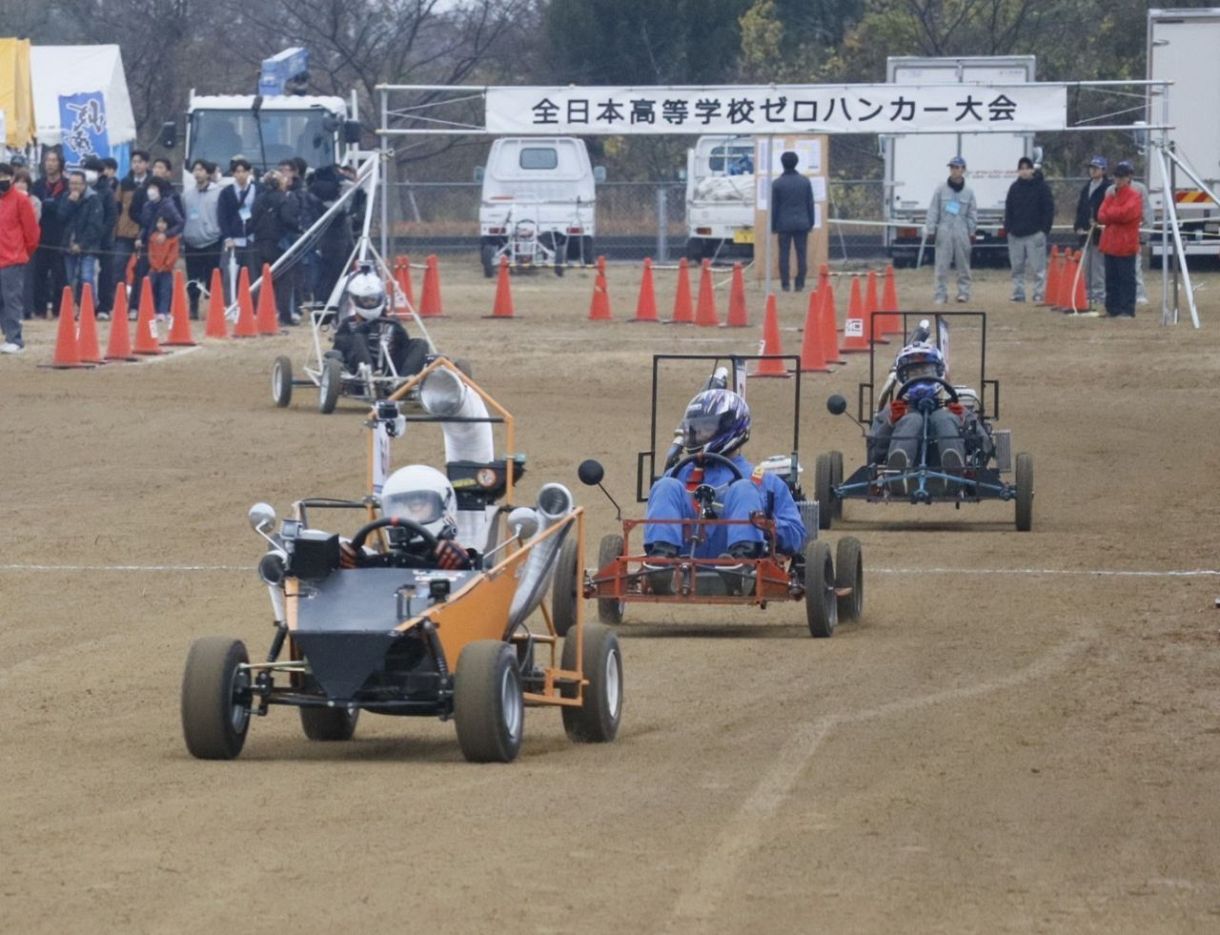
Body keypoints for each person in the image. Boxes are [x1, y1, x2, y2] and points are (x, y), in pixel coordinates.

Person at [642, 388, 806, 594]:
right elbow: (655, 520)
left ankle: (741, 563)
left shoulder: (763, 480)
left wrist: (767, 525)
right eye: (695, 428)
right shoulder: (676, 475)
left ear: (730, 427)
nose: (699, 433)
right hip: (682, 556)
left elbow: (796, 534)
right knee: (664, 486)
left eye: (706, 427)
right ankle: (661, 564)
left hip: (736, 556)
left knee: (743, 488)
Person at [867, 341, 966, 494]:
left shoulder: (952, 409)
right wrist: (890, 422)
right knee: (912, 419)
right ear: (903, 377)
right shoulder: (893, 410)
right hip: (906, 477)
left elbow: (984, 444)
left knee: (942, 418)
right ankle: (898, 472)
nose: (920, 379)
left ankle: (953, 472)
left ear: (938, 372)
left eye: (926, 372)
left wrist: (963, 420)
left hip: (942, 467)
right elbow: (873, 454)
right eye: (914, 374)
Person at [341, 465, 472, 570]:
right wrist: (351, 561)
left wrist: (461, 565)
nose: (406, 516)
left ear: (446, 507)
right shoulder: (379, 566)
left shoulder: (461, 564)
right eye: (399, 508)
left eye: (417, 505)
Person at [329, 265, 427, 377]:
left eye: (373, 299)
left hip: (392, 368)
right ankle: (371, 377)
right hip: (359, 371)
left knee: (420, 343)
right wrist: (359, 333)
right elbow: (339, 351)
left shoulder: (391, 322)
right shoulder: (348, 324)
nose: (370, 303)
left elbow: (404, 345)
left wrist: (399, 331)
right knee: (358, 338)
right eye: (366, 301)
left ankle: (406, 380)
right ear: (355, 300)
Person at [249, 169, 300, 325]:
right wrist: (298, 227)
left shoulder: (258, 200)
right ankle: (284, 315)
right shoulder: (283, 198)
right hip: (279, 244)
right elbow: (287, 219)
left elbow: (252, 220)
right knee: (284, 280)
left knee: (261, 280)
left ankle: (260, 313)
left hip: (259, 244)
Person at [0, 162, 41, 354]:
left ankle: (15, 339)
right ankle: (8, 335)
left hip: (12, 259)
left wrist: (22, 253)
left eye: (4, 177)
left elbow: (32, 232)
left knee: (12, 300)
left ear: (12, 179)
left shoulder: (21, 201)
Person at [1003, 156, 1055, 303]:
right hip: (1015, 235)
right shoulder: (1014, 188)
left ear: (1032, 169)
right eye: (1022, 168)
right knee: (1016, 268)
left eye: (1027, 168)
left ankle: (1039, 293)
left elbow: (1049, 209)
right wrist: (1008, 229)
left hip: (1035, 234)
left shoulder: (1042, 187)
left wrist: (1044, 230)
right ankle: (1018, 293)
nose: (1024, 171)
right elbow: (1009, 209)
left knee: (1038, 268)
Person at [926, 156, 977, 304]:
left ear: (963, 170)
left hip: (962, 231)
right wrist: (931, 229)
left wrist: (972, 232)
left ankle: (964, 293)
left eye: (957, 167)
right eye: (952, 167)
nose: (954, 170)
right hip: (944, 230)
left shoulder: (969, 192)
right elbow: (933, 210)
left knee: (963, 265)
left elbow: (972, 213)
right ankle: (940, 294)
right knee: (941, 265)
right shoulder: (941, 190)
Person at [1097, 161, 1143, 319]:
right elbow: (1101, 215)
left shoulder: (1134, 196)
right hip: (1110, 244)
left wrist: (1111, 214)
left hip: (1125, 244)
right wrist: (1112, 214)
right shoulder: (1110, 195)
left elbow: (1126, 214)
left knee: (1126, 279)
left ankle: (1127, 310)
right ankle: (1112, 309)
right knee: (1111, 279)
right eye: (1116, 177)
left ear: (1128, 178)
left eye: (1121, 177)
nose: (1118, 180)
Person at [181, 159, 223, 319]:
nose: (197, 173)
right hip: (192, 240)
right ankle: (193, 306)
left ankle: (213, 308)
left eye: (201, 170)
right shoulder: (187, 194)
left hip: (212, 240)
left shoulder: (218, 193)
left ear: (208, 173)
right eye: (195, 170)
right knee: (193, 277)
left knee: (213, 276)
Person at [58, 169, 106, 309]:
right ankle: (73, 308)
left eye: (78, 183)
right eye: (72, 183)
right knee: (71, 278)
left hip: (88, 246)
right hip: (68, 244)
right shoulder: (66, 197)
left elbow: (95, 226)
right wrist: (70, 203)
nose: (74, 187)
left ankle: (89, 308)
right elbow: (61, 218)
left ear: (85, 184)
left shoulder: (94, 199)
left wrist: (82, 244)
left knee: (86, 277)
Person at [30, 148, 68, 316]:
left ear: (60, 163)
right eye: (47, 160)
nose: (50, 164)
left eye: (54, 160)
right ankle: (40, 309)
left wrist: (48, 205)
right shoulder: (38, 184)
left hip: (61, 234)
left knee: (60, 274)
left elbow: (65, 209)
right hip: (41, 234)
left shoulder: (67, 184)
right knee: (40, 273)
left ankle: (60, 309)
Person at [770, 150, 815, 292]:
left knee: (784, 254)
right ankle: (800, 282)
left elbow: (774, 207)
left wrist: (773, 225)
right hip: (802, 222)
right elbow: (810, 204)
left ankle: (785, 283)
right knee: (802, 254)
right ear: (797, 163)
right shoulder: (805, 182)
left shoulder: (777, 183)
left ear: (782, 164)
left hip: (783, 223)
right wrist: (811, 222)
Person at [115, 149, 151, 317]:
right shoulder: (125, 182)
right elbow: (117, 205)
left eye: (140, 162)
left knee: (141, 270)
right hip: (124, 231)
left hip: (145, 232)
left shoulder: (152, 184)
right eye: (134, 162)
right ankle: (121, 303)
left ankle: (136, 305)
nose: (137, 165)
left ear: (146, 164)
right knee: (117, 266)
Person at [1074, 156, 1112, 309]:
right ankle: (1088, 292)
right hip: (1085, 232)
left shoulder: (1107, 188)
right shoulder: (1087, 187)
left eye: (1096, 168)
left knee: (1098, 266)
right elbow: (1080, 208)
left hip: (1099, 233)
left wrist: (1099, 223)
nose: (1092, 171)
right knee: (1086, 265)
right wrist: (1077, 225)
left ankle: (1099, 293)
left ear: (1103, 170)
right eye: (1091, 168)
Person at [217, 156, 259, 293]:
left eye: (244, 171)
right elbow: (222, 216)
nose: (241, 174)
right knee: (230, 274)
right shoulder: (226, 192)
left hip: (251, 238)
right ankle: (229, 305)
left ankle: (252, 305)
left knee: (252, 274)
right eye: (237, 171)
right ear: (233, 173)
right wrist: (227, 237)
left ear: (249, 172)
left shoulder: (257, 190)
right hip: (233, 239)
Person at [83, 158, 117, 319]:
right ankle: (86, 304)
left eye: (91, 170)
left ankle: (104, 306)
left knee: (105, 273)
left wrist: (101, 233)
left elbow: (112, 217)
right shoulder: (81, 188)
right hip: (86, 240)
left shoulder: (107, 191)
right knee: (85, 274)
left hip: (104, 241)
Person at [146, 213, 180, 322]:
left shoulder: (173, 239)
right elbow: (150, 253)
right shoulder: (153, 237)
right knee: (152, 289)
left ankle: (164, 311)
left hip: (167, 270)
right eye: (159, 222)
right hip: (154, 269)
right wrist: (155, 265)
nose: (161, 225)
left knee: (166, 291)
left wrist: (166, 265)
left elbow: (173, 254)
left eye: (164, 223)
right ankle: (154, 311)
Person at [1130, 174, 1154, 305]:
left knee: (1135, 266)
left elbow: (1146, 211)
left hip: (1135, 235)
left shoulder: (1139, 188)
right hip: (1118, 237)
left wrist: (1145, 234)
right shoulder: (1112, 189)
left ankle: (1139, 293)